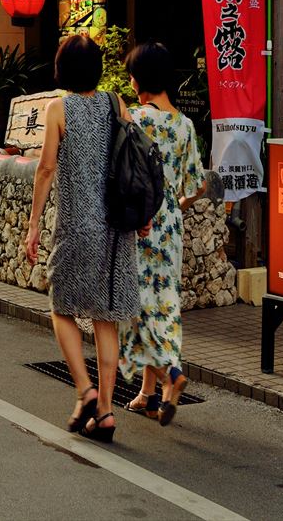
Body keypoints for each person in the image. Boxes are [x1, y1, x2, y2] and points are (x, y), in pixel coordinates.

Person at [24, 34, 145, 444]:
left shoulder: (58, 108)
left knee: (62, 309)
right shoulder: (118, 105)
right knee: (105, 318)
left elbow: (45, 170)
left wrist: (33, 224)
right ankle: (106, 413)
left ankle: (84, 389)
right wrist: (142, 214)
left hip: (77, 226)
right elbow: (135, 161)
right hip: (116, 229)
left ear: (62, 69)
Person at [119, 42, 207, 427]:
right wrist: (176, 205)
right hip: (170, 225)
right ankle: (148, 394)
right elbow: (198, 185)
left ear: (140, 80)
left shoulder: (135, 119)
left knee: (138, 306)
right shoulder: (185, 126)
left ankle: (172, 372)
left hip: (142, 223)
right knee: (163, 304)